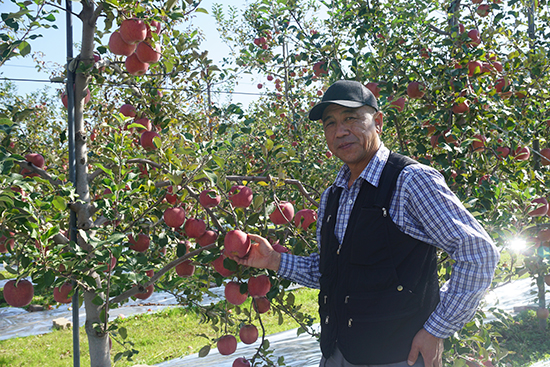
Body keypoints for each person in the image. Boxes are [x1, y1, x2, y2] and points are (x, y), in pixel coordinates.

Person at [233, 80, 499, 367]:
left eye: (351, 118)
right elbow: (332, 271)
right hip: (337, 354)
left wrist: (437, 329)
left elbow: (479, 253)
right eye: (330, 123)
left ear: (378, 122)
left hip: (396, 357)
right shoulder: (333, 194)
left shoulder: (409, 181)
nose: (340, 131)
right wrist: (273, 260)